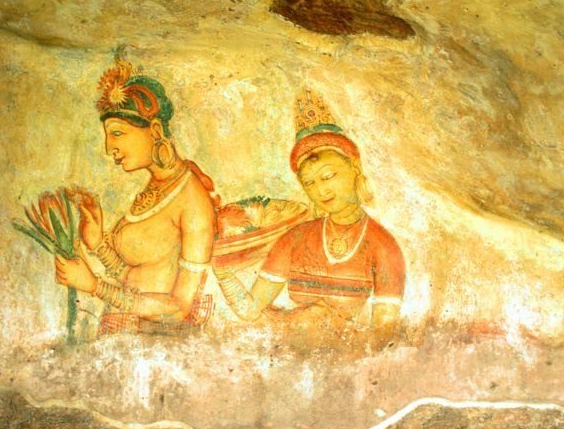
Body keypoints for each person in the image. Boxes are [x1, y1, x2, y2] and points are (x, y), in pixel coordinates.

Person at [214, 89, 406, 351]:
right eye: (310, 183)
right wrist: (224, 273)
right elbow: (250, 310)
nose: (321, 191)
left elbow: (383, 337)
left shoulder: (383, 246)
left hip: (344, 359)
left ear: (355, 169)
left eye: (328, 176)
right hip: (288, 350)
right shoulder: (294, 238)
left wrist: (334, 334)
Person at [55, 59, 218, 335]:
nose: (110, 148)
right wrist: (98, 245)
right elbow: (135, 277)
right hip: (125, 334)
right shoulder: (155, 189)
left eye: (117, 133)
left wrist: (94, 286)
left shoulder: (193, 201)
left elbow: (179, 307)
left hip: (158, 343)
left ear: (154, 131)